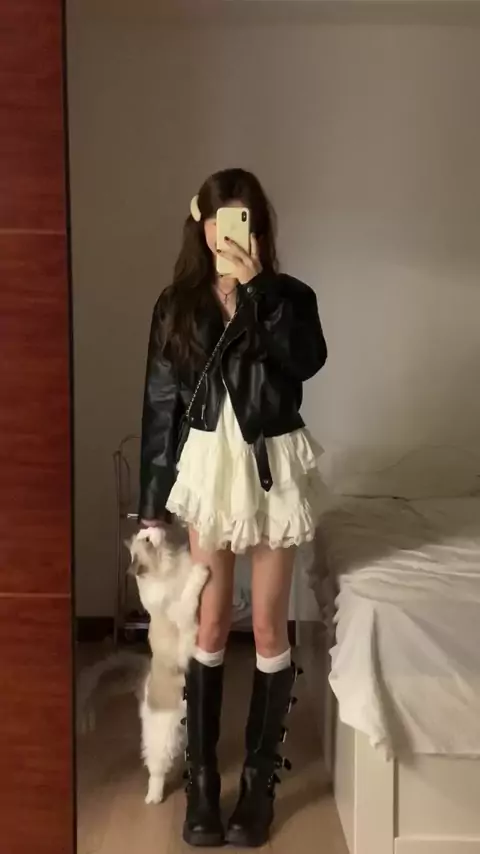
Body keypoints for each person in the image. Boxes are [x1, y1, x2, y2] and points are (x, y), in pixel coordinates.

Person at [138, 168, 328, 848]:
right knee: (212, 622)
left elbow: (306, 362)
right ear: (203, 230)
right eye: (221, 226)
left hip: (273, 464)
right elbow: (161, 402)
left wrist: (259, 294)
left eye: (244, 223)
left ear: (260, 229)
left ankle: (257, 785)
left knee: (270, 626)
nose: (231, 237)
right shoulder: (176, 305)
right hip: (208, 470)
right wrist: (151, 507)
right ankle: (201, 785)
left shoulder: (289, 297)